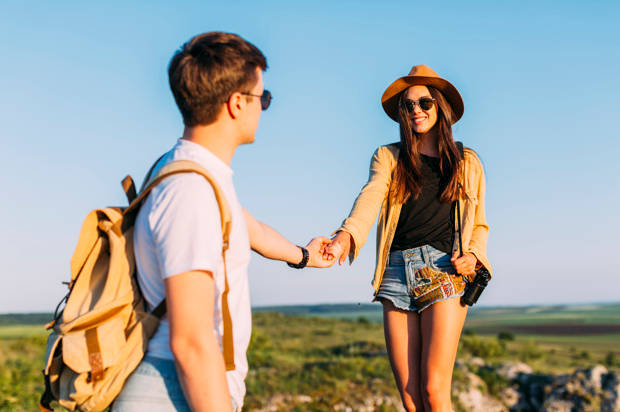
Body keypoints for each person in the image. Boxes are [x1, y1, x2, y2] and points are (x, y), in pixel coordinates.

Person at [111, 32, 335, 412]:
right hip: (175, 391)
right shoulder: (191, 190)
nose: (263, 107)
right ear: (236, 104)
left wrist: (304, 255)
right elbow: (192, 341)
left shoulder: (189, 172)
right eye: (262, 98)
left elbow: (253, 231)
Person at [325, 65, 491, 412]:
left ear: (441, 107)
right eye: (408, 105)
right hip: (396, 273)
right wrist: (345, 235)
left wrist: (474, 256)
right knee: (411, 399)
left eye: (424, 102)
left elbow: (480, 225)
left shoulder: (467, 162)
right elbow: (370, 196)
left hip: (444, 269)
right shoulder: (389, 157)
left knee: (433, 391)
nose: (416, 110)